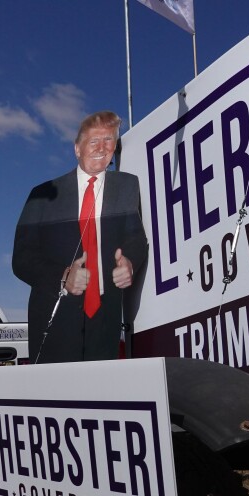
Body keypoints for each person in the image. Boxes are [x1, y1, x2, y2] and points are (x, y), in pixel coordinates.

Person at [12, 111, 148, 363]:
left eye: (108, 140)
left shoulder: (128, 185)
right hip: (55, 321)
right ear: (77, 148)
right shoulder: (43, 194)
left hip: (106, 321)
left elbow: (136, 238)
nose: (101, 148)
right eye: (94, 141)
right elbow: (22, 258)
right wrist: (63, 276)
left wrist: (129, 262)